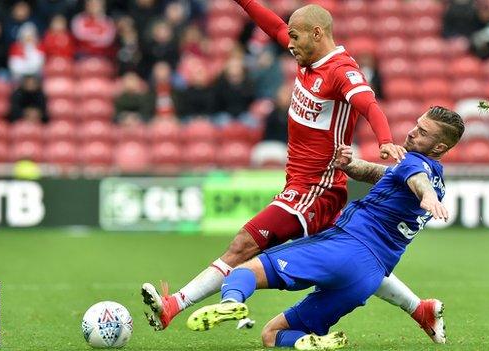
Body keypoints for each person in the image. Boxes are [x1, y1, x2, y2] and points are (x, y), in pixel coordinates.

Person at [141, 0, 427, 340]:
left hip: (315, 190)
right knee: (355, 260)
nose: (288, 42)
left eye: (295, 36)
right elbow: (274, 27)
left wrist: (383, 141)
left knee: (243, 244)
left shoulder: (341, 71)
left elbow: (369, 104)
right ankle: (420, 309)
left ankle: (174, 305)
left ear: (317, 33)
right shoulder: (308, 58)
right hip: (305, 185)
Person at [186, 106, 465, 350]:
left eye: (423, 132)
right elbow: (381, 174)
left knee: (243, 271)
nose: (413, 132)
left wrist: (425, 194)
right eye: (417, 125)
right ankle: (306, 342)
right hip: (367, 279)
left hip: (343, 248)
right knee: (272, 335)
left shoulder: (414, 166)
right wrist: (350, 164)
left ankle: (230, 303)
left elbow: (417, 179)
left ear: (439, 147)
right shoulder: (435, 181)